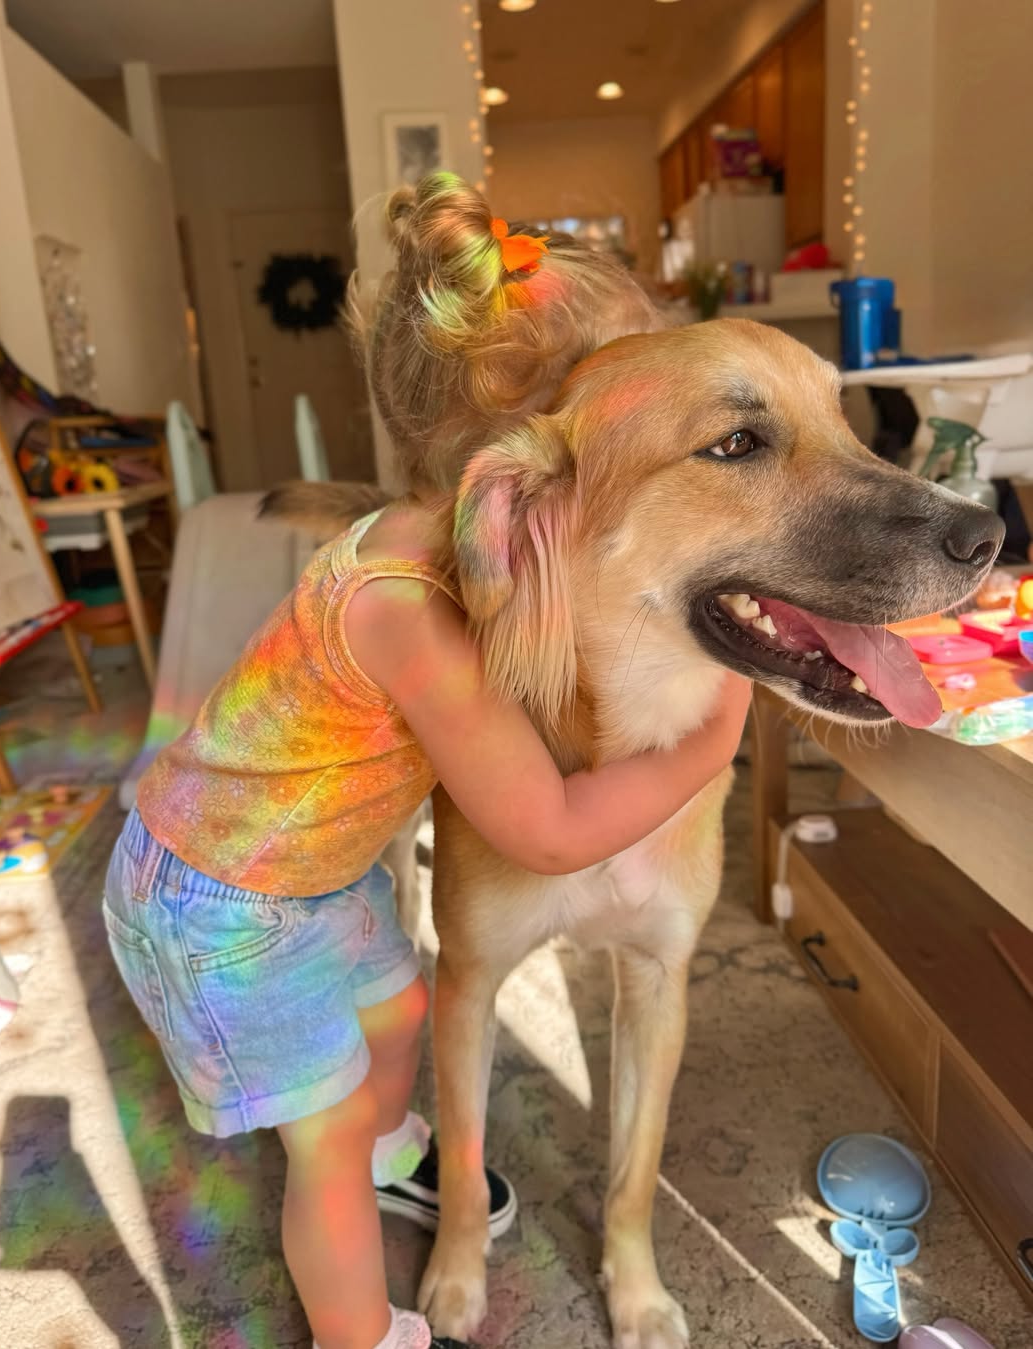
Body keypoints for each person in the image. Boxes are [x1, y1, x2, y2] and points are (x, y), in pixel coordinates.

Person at [104, 174, 752, 1349]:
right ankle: (364, 1328)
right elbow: (550, 828)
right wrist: (718, 729)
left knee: (404, 1005)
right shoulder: (418, 606)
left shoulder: (492, 561)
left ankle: (403, 1138)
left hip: (321, 862)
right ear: (527, 452)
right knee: (328, 1148)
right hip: (221, 902)